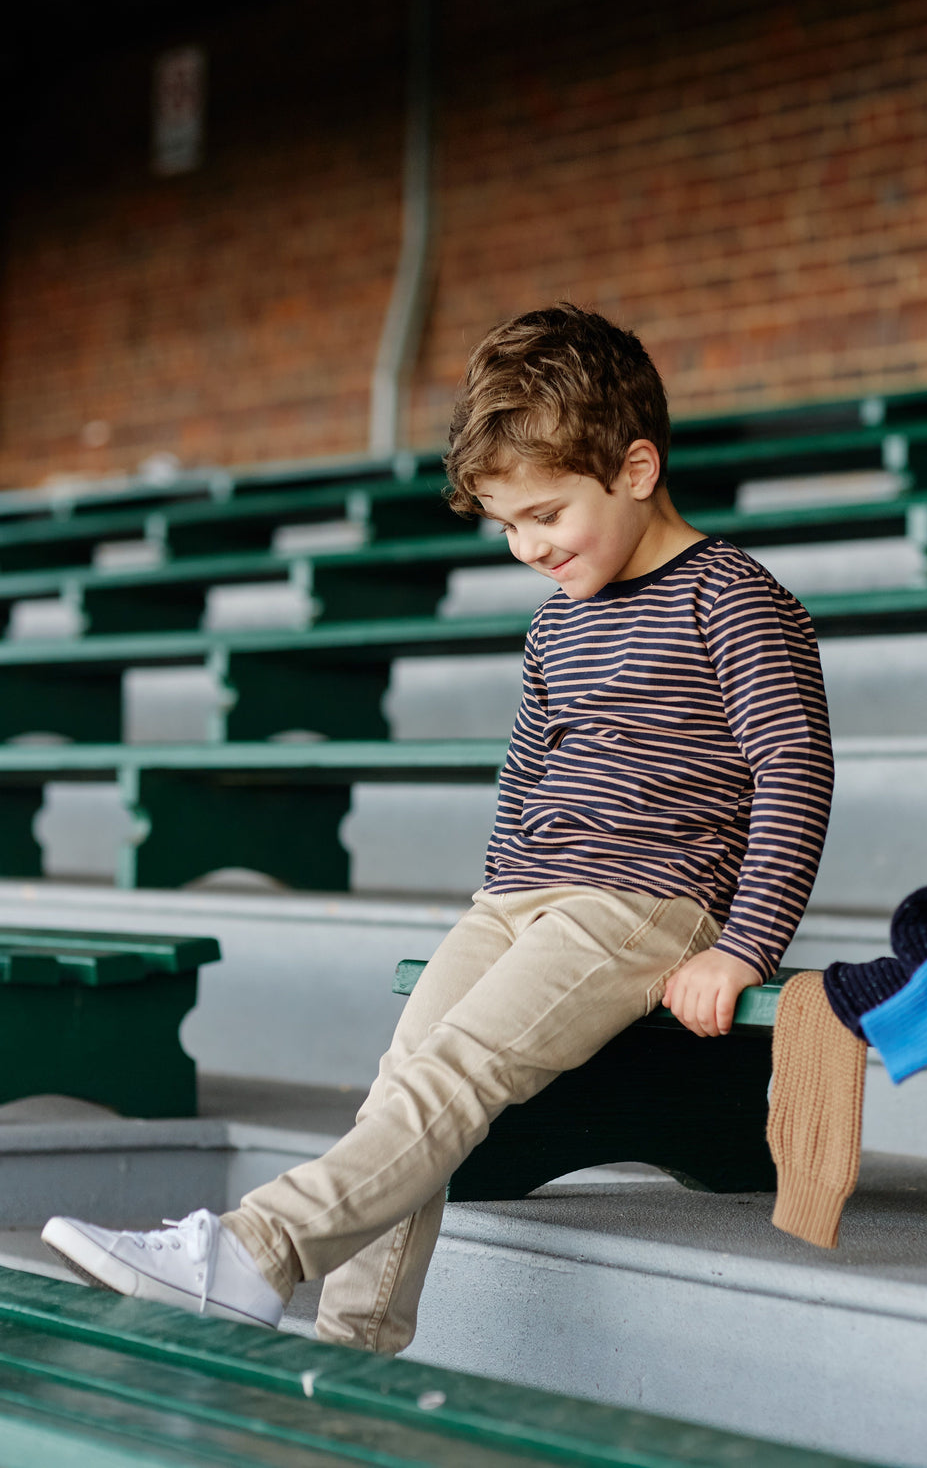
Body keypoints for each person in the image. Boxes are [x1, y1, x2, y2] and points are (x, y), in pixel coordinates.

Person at [42, 302, 834, 1347]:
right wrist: (498, 894)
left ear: (636, 469)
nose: (527, 547)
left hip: (641, 907)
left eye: (546, 514)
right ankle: (353, 1342)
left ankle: (254, 1252)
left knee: (455, 1078)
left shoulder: (731, 599)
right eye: (507, 527)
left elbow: (793, 770)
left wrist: (743, 946)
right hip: (519, 903)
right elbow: (527, 771)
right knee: (405, 1089)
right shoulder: (560, 616)